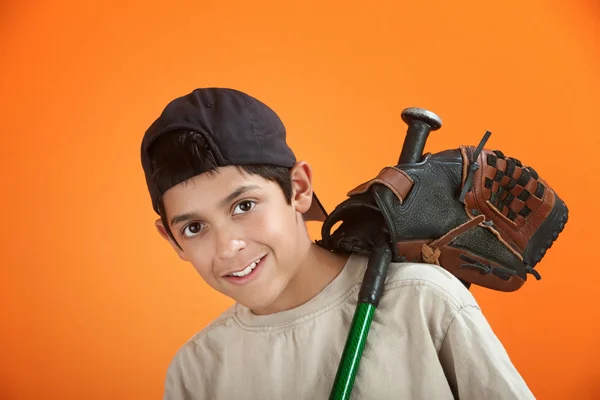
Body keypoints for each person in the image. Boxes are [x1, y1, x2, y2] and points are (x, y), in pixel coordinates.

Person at [140, 87, 535, 399]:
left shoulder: (422, 302)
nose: (227, 247)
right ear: (171, 239)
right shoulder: (196, 370)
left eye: (244, 205)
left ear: (299, 188)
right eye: (194, 228)